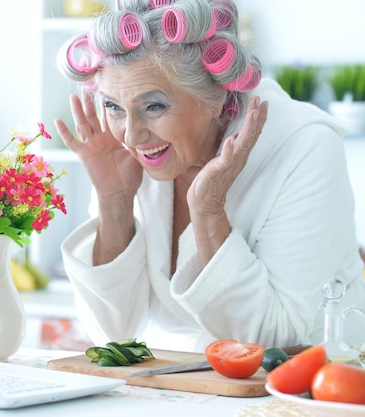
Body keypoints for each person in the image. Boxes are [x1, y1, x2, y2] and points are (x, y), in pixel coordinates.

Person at [54, 0, 365, 353]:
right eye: (113, 106)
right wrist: (114, 201)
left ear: (216, 96)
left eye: (153, 106)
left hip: (309, 388)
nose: (130, 136)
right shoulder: (129, 154)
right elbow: (111, 333)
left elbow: (278, 344)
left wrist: (209, 213)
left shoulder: (305, 147)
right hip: (182, 383)